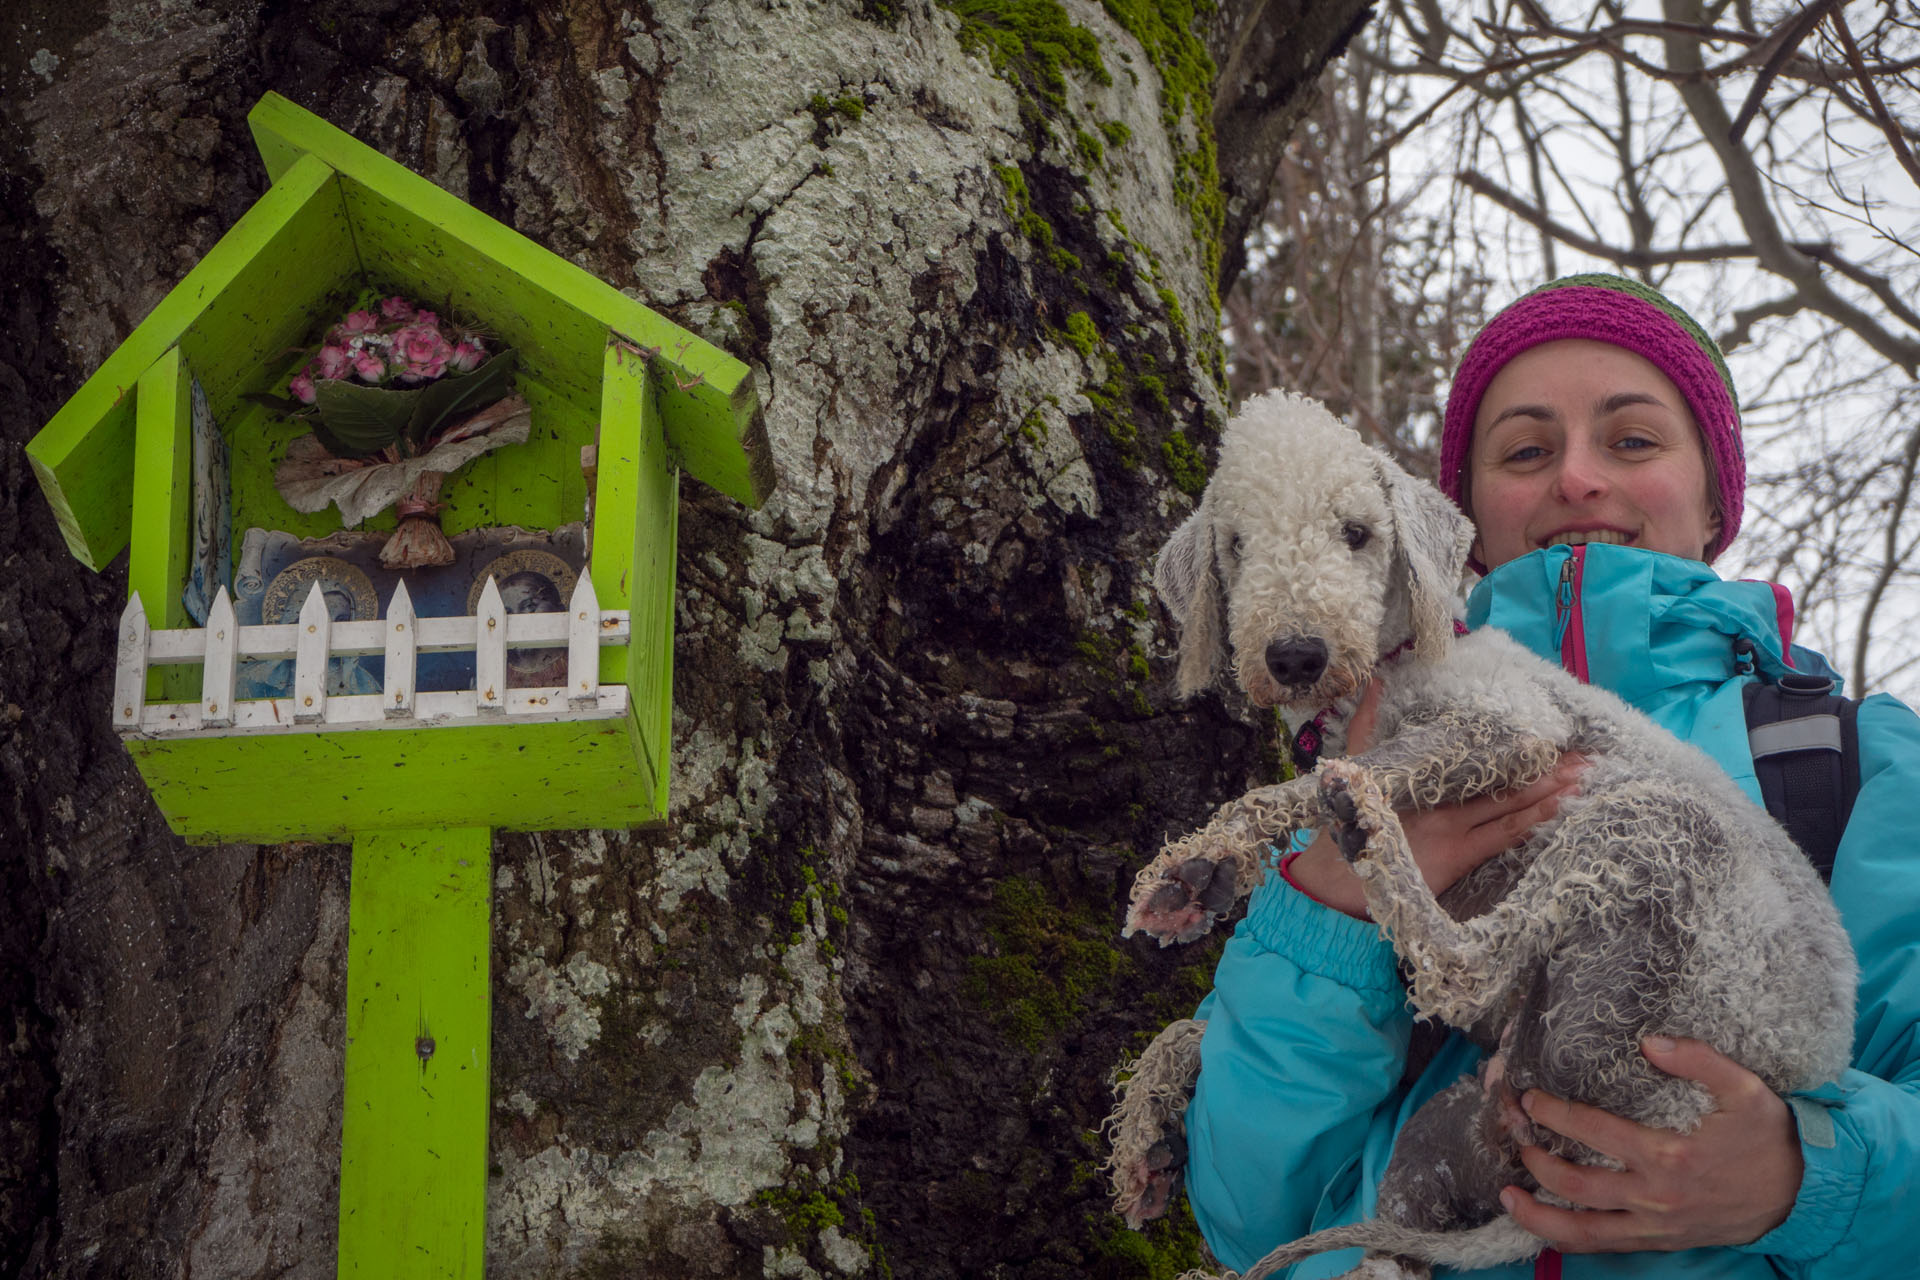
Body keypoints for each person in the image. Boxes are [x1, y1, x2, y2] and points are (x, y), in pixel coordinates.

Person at [1181, 274, 1920, 1278]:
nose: (1575, 477)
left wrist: (1806, 1179)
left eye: (1632, 439)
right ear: (1464, 526)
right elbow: (1249, 1216)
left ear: (1713, 502)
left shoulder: (1850, 763)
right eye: (1526, 449)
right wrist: (1336, 908)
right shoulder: (1351, 787)